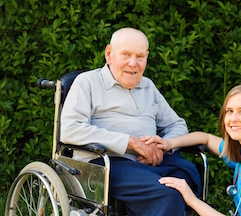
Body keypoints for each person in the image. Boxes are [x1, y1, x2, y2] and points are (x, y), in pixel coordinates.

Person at [60, 27, 201, 215]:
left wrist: (162, 146)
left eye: (140, 56)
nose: (133, 63)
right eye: (126, 54)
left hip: (151, 163)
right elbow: (70, 129)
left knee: (185, 179)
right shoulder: (87, 82)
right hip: (107, 163)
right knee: (168, 193)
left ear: (147, 58)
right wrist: (130, 143)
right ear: (109, 54)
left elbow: (177, 124)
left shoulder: (148, 86)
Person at [141, 83, 241, 216]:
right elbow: (206, 138)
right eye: (229, 111)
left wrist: (192, 200)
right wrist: (168, 143)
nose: (233, 119)